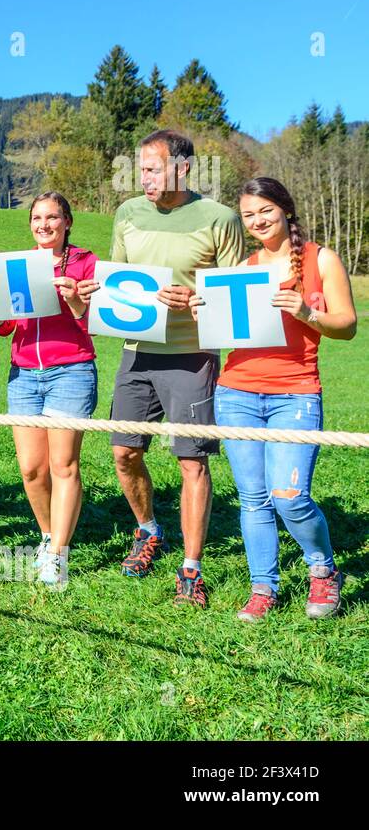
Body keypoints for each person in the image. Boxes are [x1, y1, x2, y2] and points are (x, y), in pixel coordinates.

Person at [83, 129, 246, 606]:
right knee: (124, 453)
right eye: (141, 170)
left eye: (153, 169)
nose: (144, 178)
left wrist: (198, 301)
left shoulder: (220, 218)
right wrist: (98, 296)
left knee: (191, 460)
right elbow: (120, 281)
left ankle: (191, 569)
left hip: (193, 356)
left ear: (184, 168)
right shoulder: (127, 213)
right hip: (136, 353)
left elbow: (235, 299)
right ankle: (149, 530)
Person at [189, 178, 357, 621]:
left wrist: (307, 312)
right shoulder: (244, 267)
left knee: (290, 496)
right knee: (254, 499)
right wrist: (204, 314)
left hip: (295, 394)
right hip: (237, 392)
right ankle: (263, 587)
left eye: (265, 210)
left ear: (285, 209)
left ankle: (324, 572)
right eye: (249, 215)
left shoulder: (321, 260)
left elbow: (348, 326)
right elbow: (226, 336)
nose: (258, 220)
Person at [0, 192, 97, 587]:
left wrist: (76, 301)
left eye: (53, 217)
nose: (44, 224)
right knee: (31, 470)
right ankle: (47, 535)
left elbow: (98, 321)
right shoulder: (17, 265)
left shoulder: (86, 262)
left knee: (64, 466)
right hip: (24, 374)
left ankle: (59, 554)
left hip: (71, 371)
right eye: (37, 218)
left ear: (67, 222)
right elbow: (6, 329)